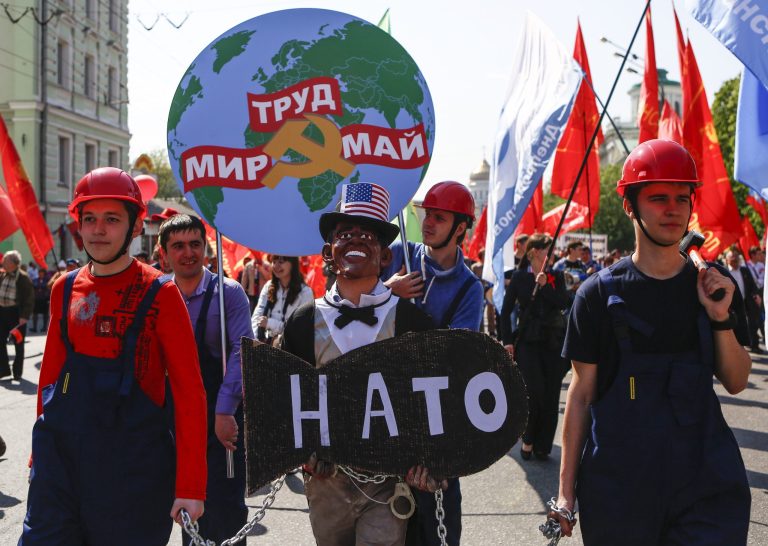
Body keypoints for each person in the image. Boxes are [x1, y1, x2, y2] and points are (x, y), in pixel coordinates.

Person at [553, 140, 751, 545]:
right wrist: (565, 492)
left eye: (683, 197)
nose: (673, 209)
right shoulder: (595, 296)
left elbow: (736, 380)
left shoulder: (713, 286)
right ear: (630, 206)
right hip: (620, 493)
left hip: (705, 487)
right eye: (658, 198)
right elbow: (581, 395)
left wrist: (719, 318)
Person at [20, 167, 207, 545]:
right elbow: (51, 377)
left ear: (135, 226)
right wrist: (37, 458)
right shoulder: (64, 288)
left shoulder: (161, 294)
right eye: (89, 219)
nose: (98, 230)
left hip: (132, 473)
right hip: (61, 468)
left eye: (111, 219)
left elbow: (190, 395)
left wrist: (190, 486)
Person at [280, 182, 442, 546]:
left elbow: (432, 404)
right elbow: (288, 398)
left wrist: (428, 461)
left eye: (367, 235)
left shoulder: (414, 323)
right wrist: (301, 454)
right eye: (346, 234)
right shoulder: (302, 322)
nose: (356, 240)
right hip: (325, 484)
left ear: (385, 256)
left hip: (388, 484)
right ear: (328, 251)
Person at [382, 180, 483, 546]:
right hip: (384, 412)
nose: (427, 223)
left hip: (435, 423)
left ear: (460, 228)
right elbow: (347, 309)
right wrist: (385, 292)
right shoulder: (395, 255)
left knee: (437, 529)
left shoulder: (469, 289)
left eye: (439, 218)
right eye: (427, 214)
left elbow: (453, 356)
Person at [159, 213, 253, 546]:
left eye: (195, 244)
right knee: (184, 509)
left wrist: (225, 411)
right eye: (178, 246)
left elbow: (242, 354)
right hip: (172, 419)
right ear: (164, 253)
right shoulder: (156, 295)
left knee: (224, 510)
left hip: (219, 418)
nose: (188, 253)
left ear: (207, 248)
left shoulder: (228, 293)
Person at [500, 233, 568, 461]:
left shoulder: (555, 276)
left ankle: (543, 446)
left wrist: (545, 286)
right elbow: (505, 311)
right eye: (548, 249)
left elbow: (565, 302)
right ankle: (528, 437)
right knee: (534, 392)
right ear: (535, 252)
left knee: (550, 395)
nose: (552, 253)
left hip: (553, 343)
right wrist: (507, 340)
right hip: (529, 343)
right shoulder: (520, 278)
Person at [251, 255, 313, 345]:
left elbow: (300, 329)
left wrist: (270, 323)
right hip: (265, 344)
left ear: (292, 264)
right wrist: (255, 339)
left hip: (290, 348)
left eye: (281, 262)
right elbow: (257, 315)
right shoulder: (269, 286)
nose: (276, 266)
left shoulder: (305, 292)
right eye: (274, 261)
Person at [0, 250, 34, 382]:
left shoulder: (23, 278)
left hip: (16, 314)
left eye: (6, 260)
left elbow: (29, 299)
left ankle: (17, 372)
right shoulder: (3, 275)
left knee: (18, 343)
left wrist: (24, 316)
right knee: (0, 341)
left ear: (14, 263)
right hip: (2, 312)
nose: (3, 262)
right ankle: (3, 370)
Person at [725, 248, 763, 354]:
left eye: (736, 257)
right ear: (727, 260)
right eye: (732, 258)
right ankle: (735, 348)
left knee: (753, 323)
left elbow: (752, 285)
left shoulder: (744, 270)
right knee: (734, 326)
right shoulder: (724, 271)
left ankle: (754, 344)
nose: (735, 260)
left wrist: (756, 295)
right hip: (731, 304)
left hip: (747, 301)